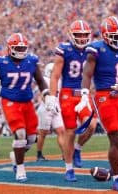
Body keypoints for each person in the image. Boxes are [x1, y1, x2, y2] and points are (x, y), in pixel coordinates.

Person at [77, 16, 118, 191]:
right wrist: (84, 94)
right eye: (116, 36)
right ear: (106, 35)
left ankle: (116, 169)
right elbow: (87, 74)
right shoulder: (96, 49)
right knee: (115, 137)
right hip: (103, 95)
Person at [0, 33, 49, 182]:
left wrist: (48, 95)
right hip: (10, 101)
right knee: (20, 134)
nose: (21, 50)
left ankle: (16, 155)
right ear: (10, 48)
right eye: (18, 47)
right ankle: (20, 169)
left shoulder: (32, 60)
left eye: (23, 47)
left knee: (32, 138)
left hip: (27, 102)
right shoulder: (1, 62)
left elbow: (40, 81)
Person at [46, 20, 97, 182]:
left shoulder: (93, 50)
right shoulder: (64, 50)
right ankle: (69, 168)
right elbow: (55, 75)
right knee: (70, 131)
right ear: (71, 35)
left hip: (84, 93)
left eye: (84, 35)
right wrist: (52, 96)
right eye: (78, 35)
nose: (82, 38)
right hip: (68, 93)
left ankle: (77, 148)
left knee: (91, 125)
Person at [36, 62, 65, 161]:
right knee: (43, 133)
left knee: (61, 131)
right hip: (46, 108)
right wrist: (49, 104)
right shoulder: (45, 80)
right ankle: (39, 154)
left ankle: (65, 154)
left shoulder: (59, 80)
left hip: (56, 108)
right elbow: (43, 95)